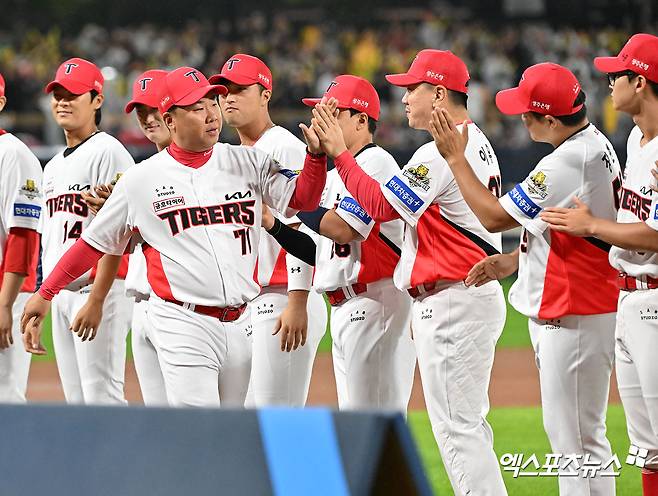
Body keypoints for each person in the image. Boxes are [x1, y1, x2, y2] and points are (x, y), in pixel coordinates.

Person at [22, 66, 328, 408]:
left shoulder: (248, 162)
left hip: (242, 321)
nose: (212, 114)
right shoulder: (141, 180)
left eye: (213, 101)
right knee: (200, 431)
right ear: (170, 121)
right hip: (183, 321)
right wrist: (45, 292)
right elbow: (92, 243)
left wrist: (315, 158)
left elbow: (303, 200)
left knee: (230, 435)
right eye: (197, 108)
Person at [309, 50, 507, 495]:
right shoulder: (475, 140)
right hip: (460, 294)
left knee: (459, 432)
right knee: (465, 429)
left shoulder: (442, 147)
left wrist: (341, 155)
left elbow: (379, 206)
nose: (404, 97)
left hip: (454, 294)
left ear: (438, 93)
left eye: (412, 88)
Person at [432, 62, 622, 495]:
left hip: (573, 309)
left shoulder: (570, 159)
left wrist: (456, 160)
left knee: (574, 445)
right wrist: (513, 262)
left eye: (527, 111)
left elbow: (495, 217)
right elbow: (557, 222)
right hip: (583, 305)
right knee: (584, 440)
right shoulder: (593, 145)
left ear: (551, 119)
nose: (520, 116)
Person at [540, 34, 658, 496]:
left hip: (653, 297)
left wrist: (591, 226)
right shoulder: (635, 139)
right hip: (627, 298)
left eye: (617, 74)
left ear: (642, 82)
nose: (609, 82)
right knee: (646, 446)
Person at [293, 74, 415, 412]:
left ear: (362, 120)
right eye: (321, 112)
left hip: (376, 299)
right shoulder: (337, 174)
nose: (322, 120)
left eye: (334, 113)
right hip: (348, 304)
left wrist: (293, 202)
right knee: (359, 423)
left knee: (374, 423)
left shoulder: (376, 163)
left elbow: (343, 228)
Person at [211, 54, 326, 407]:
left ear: (265, 94)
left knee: (277, 419)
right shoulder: (231, 154)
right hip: (251, 301)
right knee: (252, 422)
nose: (228, 98)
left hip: (282, 297)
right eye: (223, 91)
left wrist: (297, 300)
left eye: (240, 90)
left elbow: (306, 229)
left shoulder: (284, 147)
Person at [38, 57, 135, 404]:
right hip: (62, 293)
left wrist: (97, 299)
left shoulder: (109, 152)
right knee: (77, 406)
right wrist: (46, 296)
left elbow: (119, 237)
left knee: (103, 399)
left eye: (73, 94)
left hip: (98, 290)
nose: (63, 102)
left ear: (96, 100)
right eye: (58, 94)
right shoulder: (51, 166)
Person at [81, 69, 171, 406]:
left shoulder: (202, 165)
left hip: (189, 310)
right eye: (141, 111)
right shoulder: (142, 171)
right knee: (160, 422)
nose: (147, 119)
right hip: (145, 305)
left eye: (155, 109)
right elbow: (135, 241)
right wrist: (117, 213)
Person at [0, 72, 42, 402]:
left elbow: (23, 235)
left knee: (6, 400)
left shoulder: (13, 154)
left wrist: (5, 304)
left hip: (5, 294)